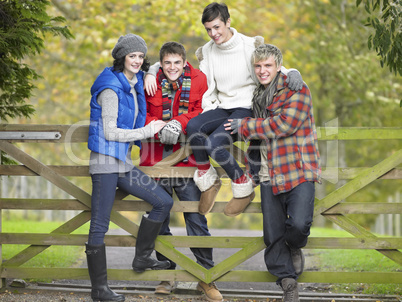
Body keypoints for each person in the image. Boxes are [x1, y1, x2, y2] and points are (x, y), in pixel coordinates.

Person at [144, 2, 304, 218]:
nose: (213, 33)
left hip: (247, 108)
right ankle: (208, 181)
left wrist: (292, 71)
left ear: (228, 22)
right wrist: (153, 70)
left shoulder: (248, 45)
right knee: (193, 126)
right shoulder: (208, 51)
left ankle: (243, 186)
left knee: (215, 144)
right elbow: (185, 69)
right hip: (222, 107)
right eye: (208, 29)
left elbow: (270, 63)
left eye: (217, 27)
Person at [224, 44, 321, 302]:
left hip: (297, 168)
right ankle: (288, 283)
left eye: (267, 65)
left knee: (300, 224)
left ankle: (295, 245)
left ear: (279, 66)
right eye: (258, 66)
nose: (262, 70)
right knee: (272, 234)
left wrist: (245, 126)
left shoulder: (297, 89)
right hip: (267, 172)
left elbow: (285, 124)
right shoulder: (255, 95)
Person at [86, 33, 174, 302]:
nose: (136, 60)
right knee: (99, 225)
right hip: (104, 161)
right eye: (131, 56)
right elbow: (110, 132)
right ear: (121, 57)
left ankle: (142, 257)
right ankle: (99, 289)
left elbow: (166, 66)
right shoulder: (111, 89)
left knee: (162, 201)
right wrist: (147, 130)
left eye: (140, 57)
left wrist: (151, 71)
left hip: (121, 162)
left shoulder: (133, 82)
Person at [140, 41, 223, 302]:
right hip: (155, 160)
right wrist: (158, 126)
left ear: (185, 62)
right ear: (161, 65)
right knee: (159, 218)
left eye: (177, 62)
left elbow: (203, 111)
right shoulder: (148, 81)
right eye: (167, 63)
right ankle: (166, 273)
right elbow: (139, 113)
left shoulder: (200, 79)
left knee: (196, 219)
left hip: (187, 162)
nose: (172, 67)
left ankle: (205, 276)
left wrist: (178, 122)